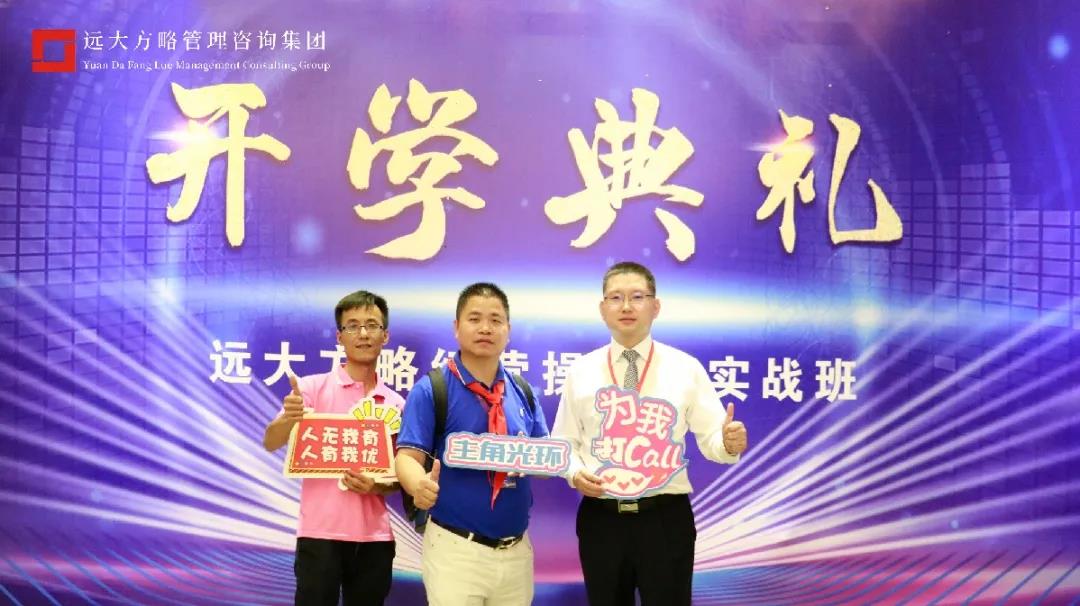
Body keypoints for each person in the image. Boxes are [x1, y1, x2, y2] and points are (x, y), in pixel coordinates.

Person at [550, 261, 748, 606]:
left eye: (637, 297)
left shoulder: (685, 368)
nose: (626, 306)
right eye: (616, 298)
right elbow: (564, 442)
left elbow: (713, 439)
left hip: (665, 520)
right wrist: (574, 473)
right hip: (602, 519)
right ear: (603, 309)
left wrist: (728, 444)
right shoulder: (580, 371)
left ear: (655, 307)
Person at [395, 282, 549, 606]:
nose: (485, 328)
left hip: (517, 551)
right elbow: (407, 456)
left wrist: (565, 468)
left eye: (496, 320)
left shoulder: (522, 391)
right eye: (475, 318)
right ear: (456, 327)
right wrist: (418, 485)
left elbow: (545, 457)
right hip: (455, 551)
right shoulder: (432, 389)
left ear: (508, 330)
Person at [263, 290, 403, 606]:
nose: (363, 333)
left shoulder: (395, 404)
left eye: (372, 325)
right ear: (340, 337)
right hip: (319, 535)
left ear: (385, 335)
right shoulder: (311, 388)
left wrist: (379, 486)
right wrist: (290, 418)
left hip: (375, 539)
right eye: (352, 325)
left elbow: (402, 473)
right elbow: (270, 441)